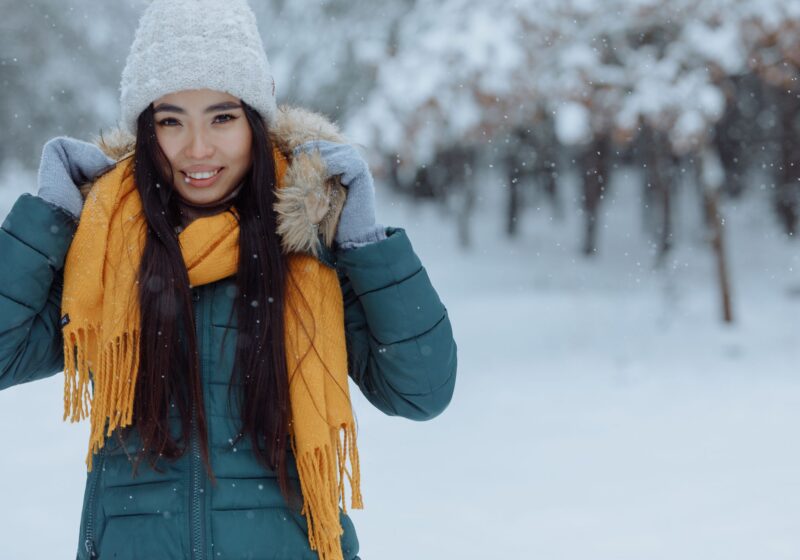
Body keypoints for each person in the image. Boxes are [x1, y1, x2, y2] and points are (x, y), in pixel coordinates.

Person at [0, 0, 457, 558]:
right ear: (147, 132)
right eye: (171, 120)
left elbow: (420, 390)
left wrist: (362, 241)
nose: (197, 148)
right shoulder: (105, 250)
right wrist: (51, 217)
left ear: (254, 122)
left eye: (222, 117)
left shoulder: (308, 244)